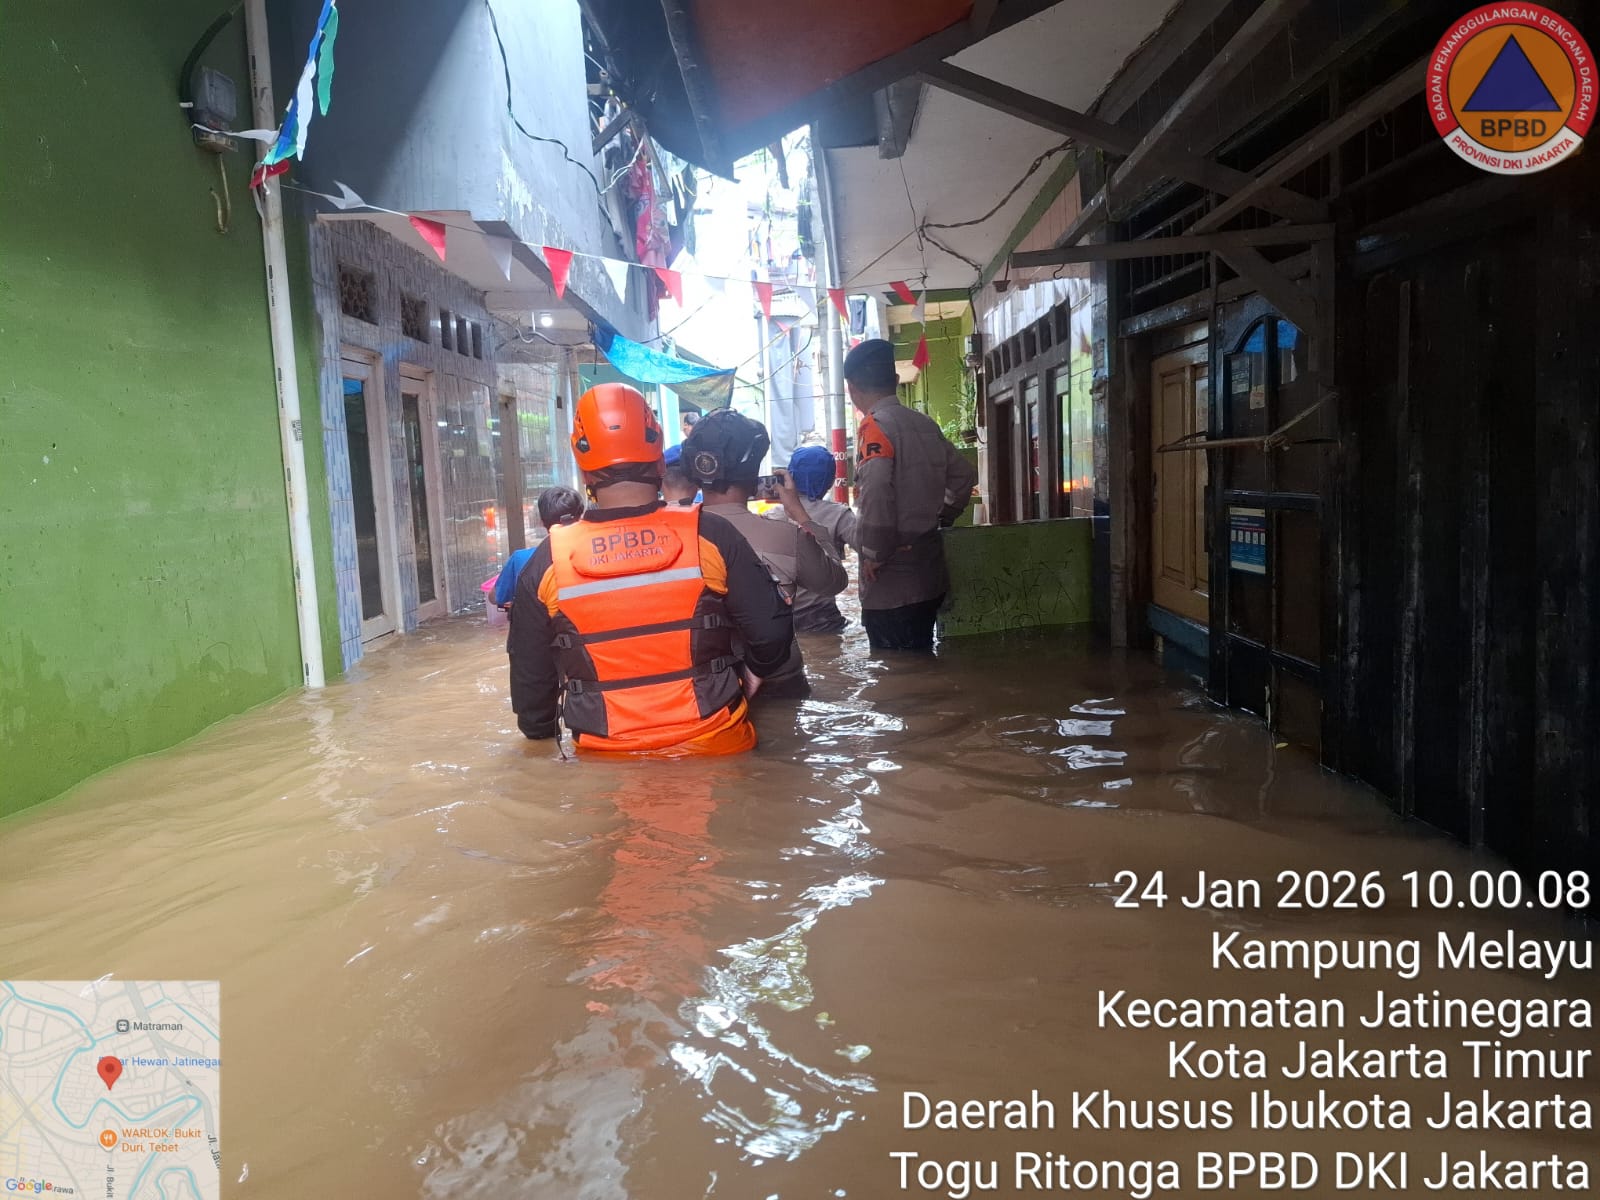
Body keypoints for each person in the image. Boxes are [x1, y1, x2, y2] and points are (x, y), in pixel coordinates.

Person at [507, 384, 793, 755]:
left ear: (584, 472)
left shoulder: (548, 561)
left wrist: (543, 732)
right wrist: (747, 676)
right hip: (717, 745)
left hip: (607, 759)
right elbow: (772, 636)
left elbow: (532, 699)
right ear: (659, 461)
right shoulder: (710, 535)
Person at [683, 409, 847, 695]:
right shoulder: (787, 537)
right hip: (779, 686)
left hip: (703, 694)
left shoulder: (670, 538)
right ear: (753, 473)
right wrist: (799, 513)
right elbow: (835, 581)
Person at [844, 338, 978, 651]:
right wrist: (944, 516)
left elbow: (876, 491)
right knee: (921, 658)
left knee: (895, 674)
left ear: (851, 389)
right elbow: (963, 476)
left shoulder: (874, 428)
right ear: (894, 381)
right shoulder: (925, 424)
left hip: (891, 586)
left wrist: (874, 554)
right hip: (930, 576)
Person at [764, 444, 856, 633]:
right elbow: (870, 547)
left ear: (789, 476)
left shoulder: (769, 517)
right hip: (822, 619)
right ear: (830, 480)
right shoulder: (839, 515)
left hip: (779, 619)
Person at [492, 486, 584, 608]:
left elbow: (495, 597)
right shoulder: (593, 555)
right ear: (580, 519)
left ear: (541, 521)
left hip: (538, 619)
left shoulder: (520, 559)